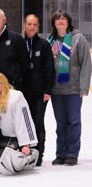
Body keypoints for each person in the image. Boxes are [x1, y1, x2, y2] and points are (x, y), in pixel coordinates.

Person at [47, 10, 91, 166]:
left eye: (63, 18)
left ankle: (72, 153)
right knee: (60, 123)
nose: (60, 21)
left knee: (73, 122)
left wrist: (84, 87)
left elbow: (86, 64)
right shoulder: (50, 41)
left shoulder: (78, 39)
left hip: (73, 88)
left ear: (68, 21)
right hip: (56, 89)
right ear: (53, 22)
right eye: (57, 19)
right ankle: (60, 153)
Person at [21, 14, 55, 166]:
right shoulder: (20, 43)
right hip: (24, 92)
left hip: (40, 93)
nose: (32, 27)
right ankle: (26, 152)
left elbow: (49, 69)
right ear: (25, 25)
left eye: (35, 24)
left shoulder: (44, 44)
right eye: (29, 24)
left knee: (38, 122)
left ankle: (39, 154)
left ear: (38, 26)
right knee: (25, 123)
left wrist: (48, 90)